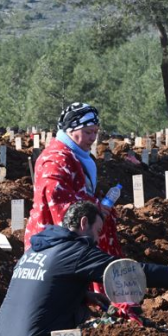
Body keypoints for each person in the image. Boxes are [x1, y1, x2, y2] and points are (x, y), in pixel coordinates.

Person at [0, 201, 168, 336]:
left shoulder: (36, 249)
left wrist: (82, 295)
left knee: (82, 311)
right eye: (98, 231)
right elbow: (131, 271)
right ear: (84, 222)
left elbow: (43, 286)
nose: (98, 239)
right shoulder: (75, 251)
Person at [25, 102, 121, 256]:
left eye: (95, 132)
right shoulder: (55, 160)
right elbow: (57, 199)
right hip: (53, 244)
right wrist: (95, 207)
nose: (93, 138)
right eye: (88, 132)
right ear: (71, 130)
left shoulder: (75, 156)